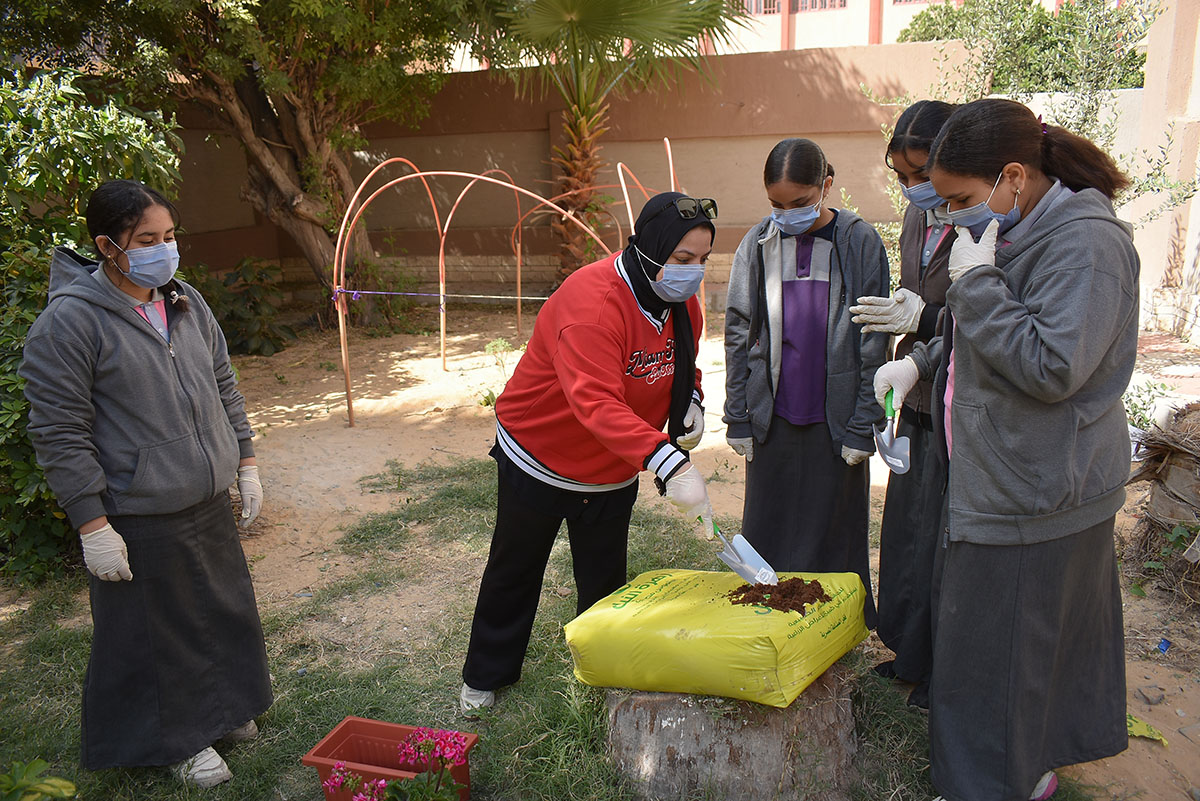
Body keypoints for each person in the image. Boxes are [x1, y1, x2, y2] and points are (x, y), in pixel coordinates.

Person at [873, 98, 1136, 801]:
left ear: (1012, 178)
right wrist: (922, 362)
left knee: (1001, 654)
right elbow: (979, 335)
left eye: (959, 198)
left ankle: (993, 784)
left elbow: (1053, 365)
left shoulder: (1087, 245)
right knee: (996, 649)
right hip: (1001, 472)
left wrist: (976, 283)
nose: (949, 213)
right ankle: (1020, 769)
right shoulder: (1017, 233)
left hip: (1042, 484)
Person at [20, 179, 272, 788]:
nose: (165, 251)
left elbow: (223, 384)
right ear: (109, 246)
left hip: (205, 494)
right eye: (148, 240)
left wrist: (244, 458)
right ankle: (174, 740)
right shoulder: (71, 324)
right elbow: (58, 430)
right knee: (154, 632)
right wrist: (91, 522)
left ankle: (222, 712)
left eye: (171, 236)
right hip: (136, 509)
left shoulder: (185, 302)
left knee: (217, 609)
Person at [460, 191, 717, 713]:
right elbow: (595, 402)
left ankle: (601, 670)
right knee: (516, 569)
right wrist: (666, 460)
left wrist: (689, 400)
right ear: (647, 249)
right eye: (683, 260)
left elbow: (680, 360)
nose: (694, 273)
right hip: (542, 454)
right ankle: (485, 676)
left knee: (604, 577)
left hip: (615, 465)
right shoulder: (592, 306)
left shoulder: (680, 301)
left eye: (703, 261)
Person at [723, 138, 889, 628]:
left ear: (826, 187)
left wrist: (864, 423)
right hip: (771, 414)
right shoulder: (758, 242)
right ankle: (769, 624)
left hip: (835, 418)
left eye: (798, 204)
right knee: (767, 527)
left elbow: (873, 336)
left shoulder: (859, 241)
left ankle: (835, 630)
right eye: (776, 205)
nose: (786, 214)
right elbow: (737, 329)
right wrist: (738, 415)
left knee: (833, 532)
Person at [849, 100, 957, 708]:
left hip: (953, 400)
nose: (914, 189)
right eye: (903, 178)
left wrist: (930, 318)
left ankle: (945, 666)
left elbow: (983, 315)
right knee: (909, 531)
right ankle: (908, 651)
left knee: (946, 539)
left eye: (923, 174)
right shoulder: (919, 220)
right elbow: (916, 297)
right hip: (913, 396)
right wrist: (903, 314)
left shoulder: (983, 222)